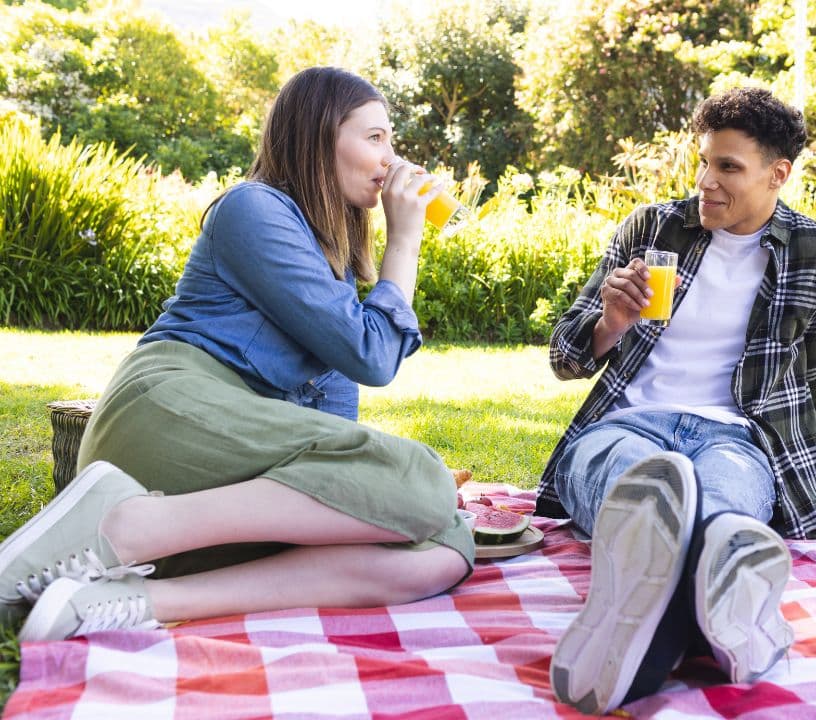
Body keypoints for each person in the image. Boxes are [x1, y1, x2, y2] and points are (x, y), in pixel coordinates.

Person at [0, 67, 474, 642]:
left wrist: (378, 493)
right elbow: (372, 356)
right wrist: (406, 240)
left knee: (447, 541)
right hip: (168, 417)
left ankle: (136, 598)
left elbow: (328, 437)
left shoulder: (337, 270)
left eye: (389, 141)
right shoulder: (254, 210)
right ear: (317, 137)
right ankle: (122, 521)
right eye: (374, 138)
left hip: (216, 490)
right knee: (421, 481)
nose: (389, 158)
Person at [537, 86, 816, 714]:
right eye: (703, 161)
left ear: (777, 174)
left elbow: (813, 387)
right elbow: (564, 358)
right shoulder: (653, 228)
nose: (707, 180)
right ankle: (722, 621)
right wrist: (611, 321)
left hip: (733, 437)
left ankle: (650, 630)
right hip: (626, 424)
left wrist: (808, 485)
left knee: (728, 511)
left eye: (728, 166)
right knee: (642, 485)